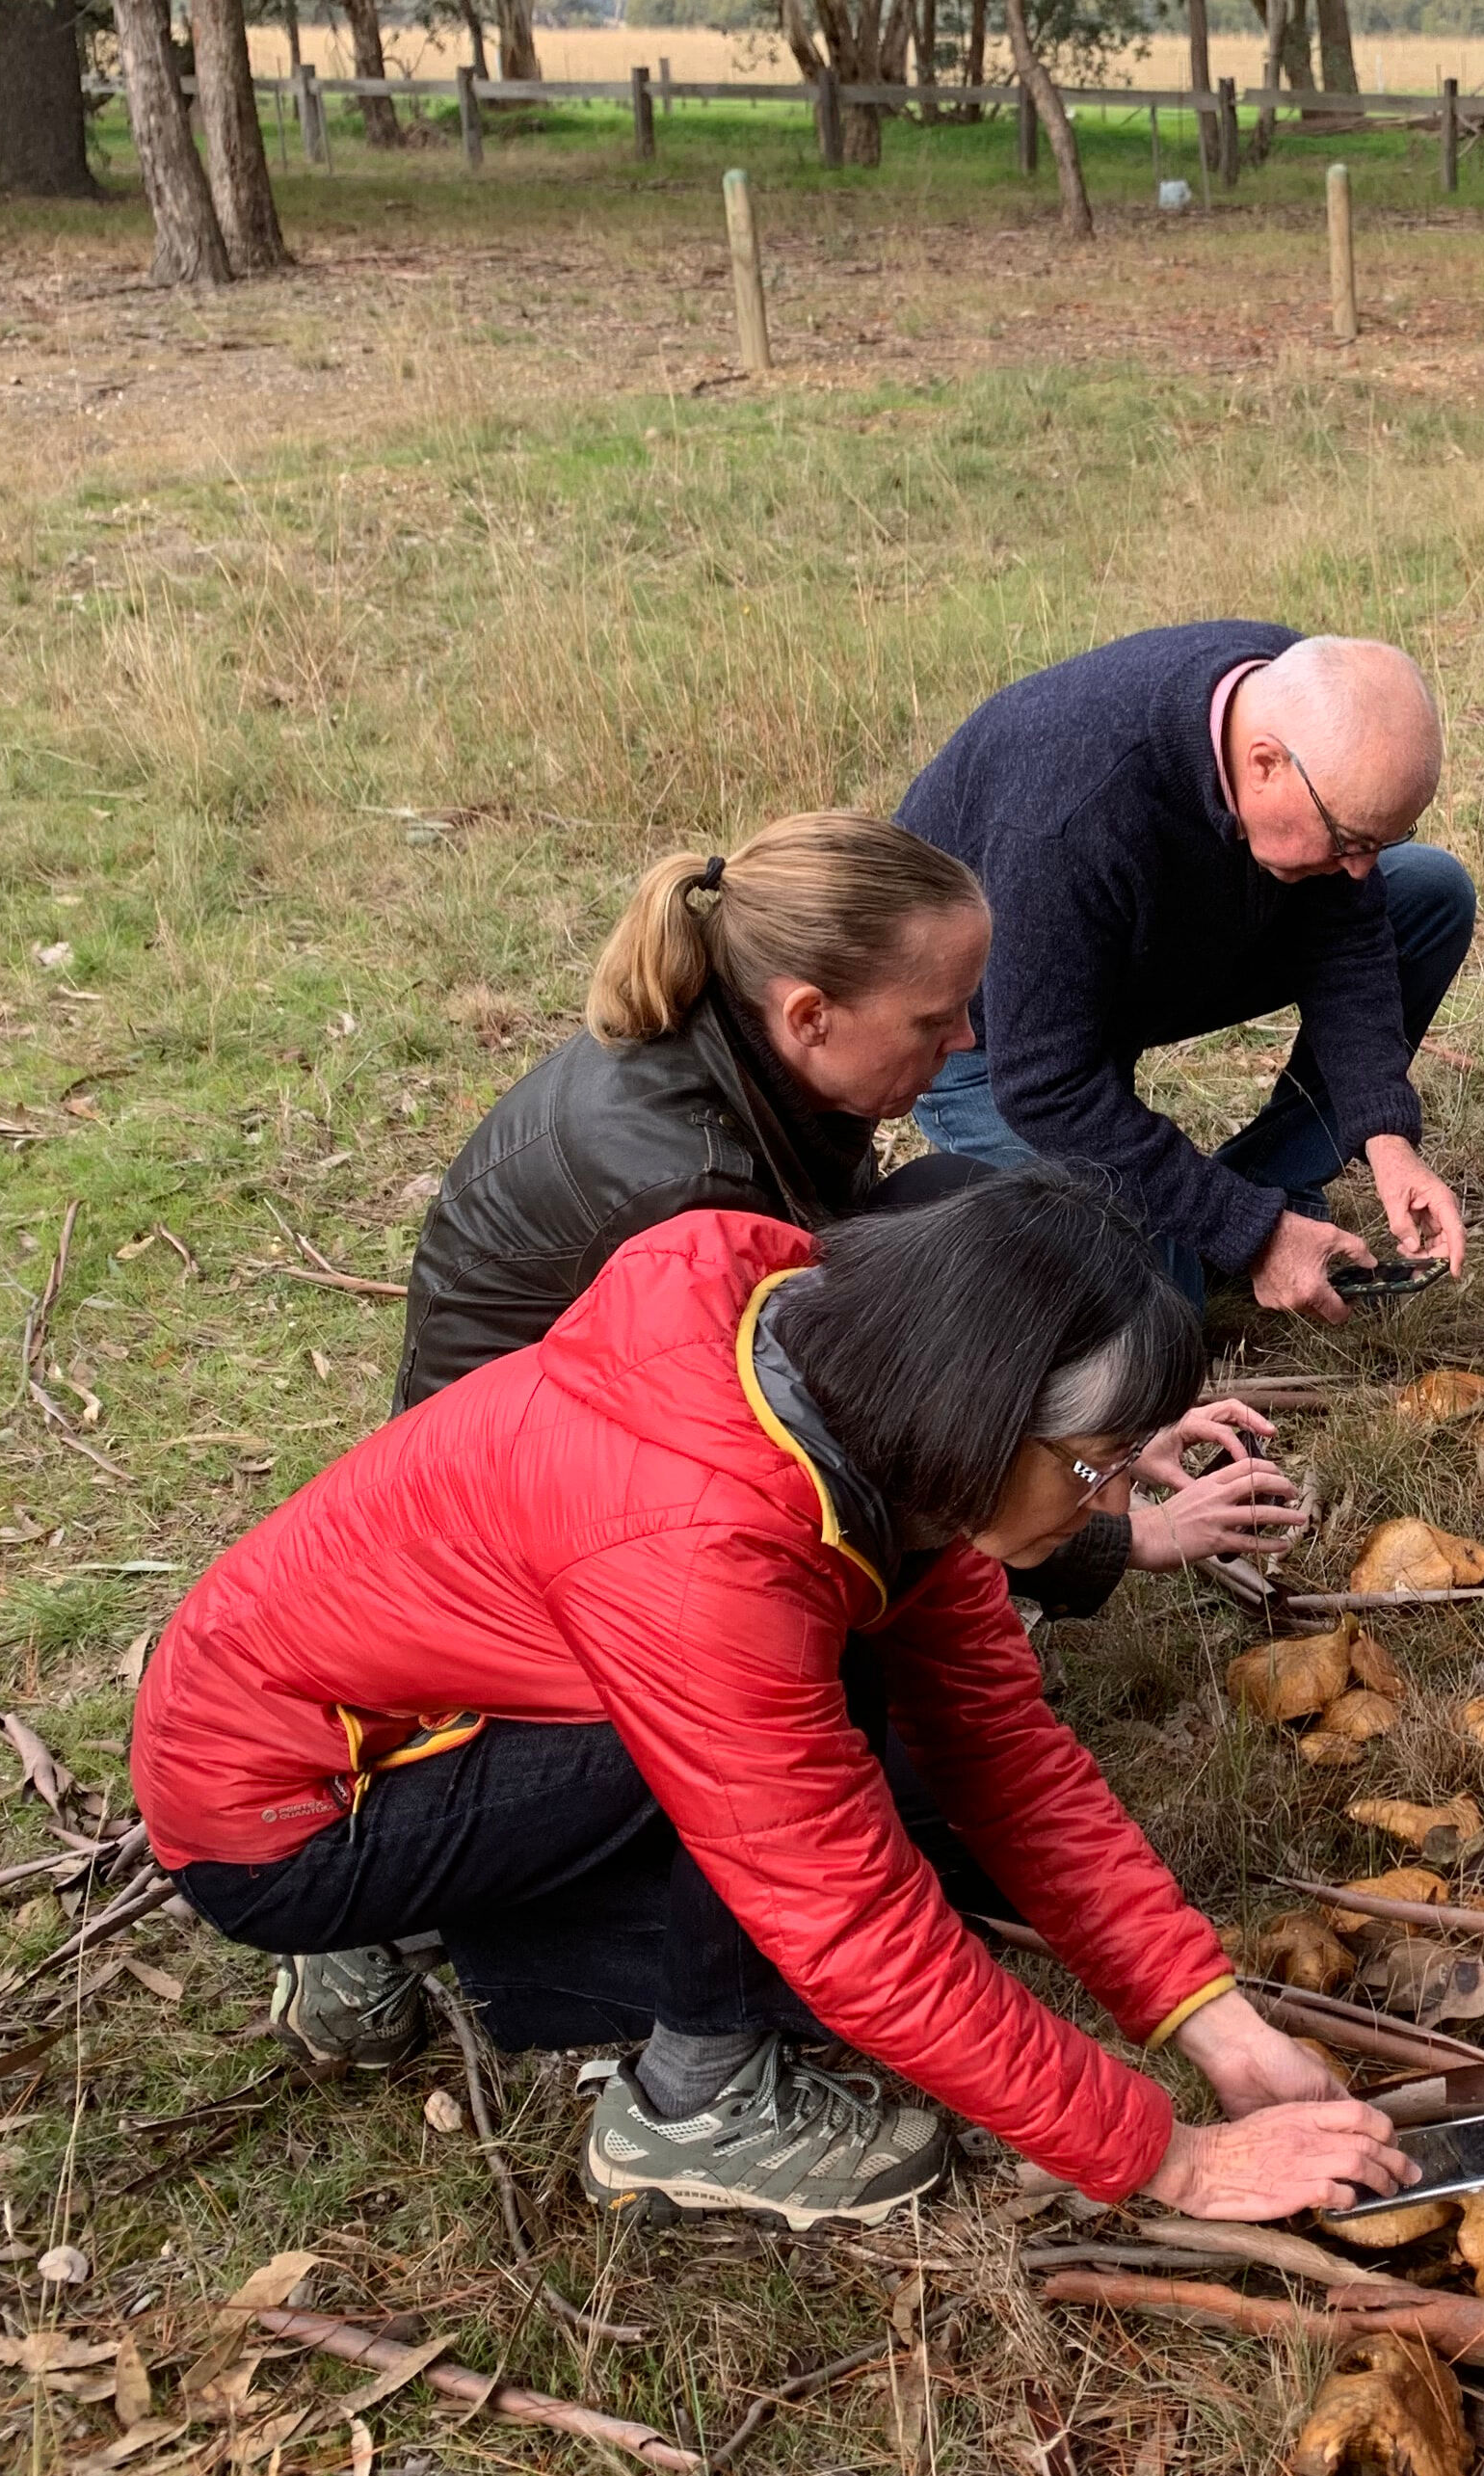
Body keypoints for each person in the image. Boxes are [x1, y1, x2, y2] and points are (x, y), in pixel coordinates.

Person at [134, 1175, 1413, 2229]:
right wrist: (1170, 2158)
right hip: (288, 1822)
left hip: (400, 1720)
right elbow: (847, 1923)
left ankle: (425, 1931)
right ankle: (692, 2111)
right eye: (1092, 1470)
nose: (1110, 1510)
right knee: (837, 1760)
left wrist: (1214, 2024)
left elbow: (1002, 1748)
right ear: (981, 1414)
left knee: (911, 1792)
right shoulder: (708, 1546)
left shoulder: (858, 1396)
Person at [292, 813, 1304, 2083]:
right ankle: (614, 2016)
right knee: (863, 1794)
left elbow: (897, 1329)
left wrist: (1089, 1402)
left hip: (604, 1506)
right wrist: (1107, 1525)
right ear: (813, 1011)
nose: (967, 1043)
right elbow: (855, 1450)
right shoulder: (675, 1177)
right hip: (535, 1598)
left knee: (942, 1796)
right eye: (938, 1021)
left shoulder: (761, 1069)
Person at [898, 626, 1475, 1318]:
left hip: (1129, 964)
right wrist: (1248, 1234)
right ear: (1265, 765)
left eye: (1377, 844)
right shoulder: (1069, 819)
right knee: (1167, 1303)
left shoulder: (1294, 703)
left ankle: (1270, 1184)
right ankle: (1250, 1225)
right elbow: (1045, 1083)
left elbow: (1345, 935)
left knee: (1427, 893)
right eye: (1350, 840)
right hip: (985, 1045)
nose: (1359, 868)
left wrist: (1385, 1136)